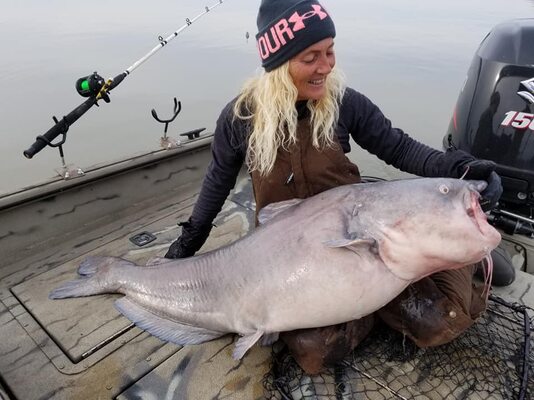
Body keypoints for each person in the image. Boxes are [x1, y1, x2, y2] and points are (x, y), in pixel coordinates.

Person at [165, 0, 504, 374]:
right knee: (314, 353)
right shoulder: (239, 117)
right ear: (279, 62)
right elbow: (217, 182)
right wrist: (187, 242)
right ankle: (371, 311)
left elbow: (398, 146)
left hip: (362, 240)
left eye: (329, 51)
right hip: (293, 258)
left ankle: (467, 259)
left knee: (439, 321)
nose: (326, 66)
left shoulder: (344, 102)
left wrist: (461, 166)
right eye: (311, 56)